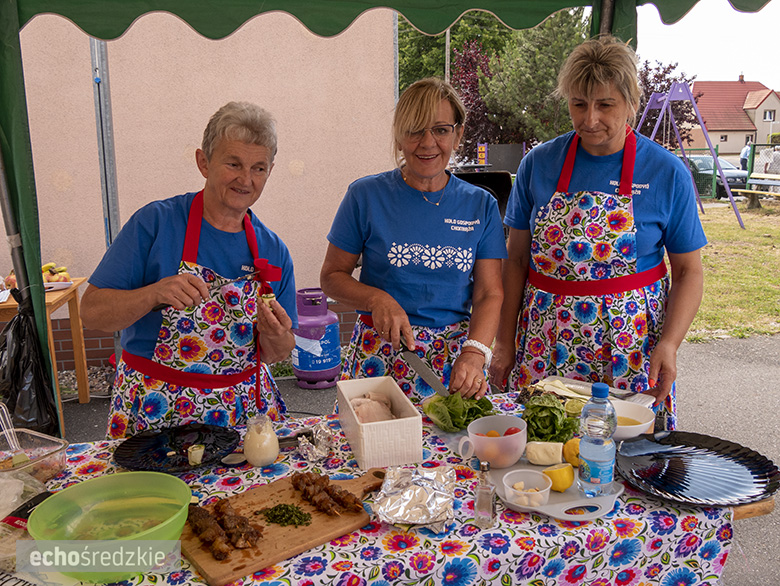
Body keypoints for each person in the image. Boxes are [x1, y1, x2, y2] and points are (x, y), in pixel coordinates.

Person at [488, 37, 707, 431]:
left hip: (630, 345)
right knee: (543, 445)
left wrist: (670, 344)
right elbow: (516, 259)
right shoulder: (538, 164)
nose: (590, 119)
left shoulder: (666, 172)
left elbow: (689, 271)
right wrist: (504, 341)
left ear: (630, 102)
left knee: (624, 452)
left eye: (605, 105)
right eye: (578, 104)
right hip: (545, 335)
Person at [81, 102, 298, 439]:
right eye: (233, 164)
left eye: (258, 168)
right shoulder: (155, 224)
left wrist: (277, 334)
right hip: (158, 408)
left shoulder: (273, 250)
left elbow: (277, 353)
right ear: (203, 162)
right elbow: (91, 313)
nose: (246, 179)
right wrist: (153, 293)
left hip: (244, 413)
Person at [320, 78, 507, 405]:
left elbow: (490, 292)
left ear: (458, 134)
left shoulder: (481, 205)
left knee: (458, 453)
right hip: (378, 354)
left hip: (454, 362)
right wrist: (378, 299)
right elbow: (331, 277)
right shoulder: (365, 196)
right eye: (415, 130)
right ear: (398, 135)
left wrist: (475, 354)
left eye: (440, 130)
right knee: (372, 452)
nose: (427, 143)